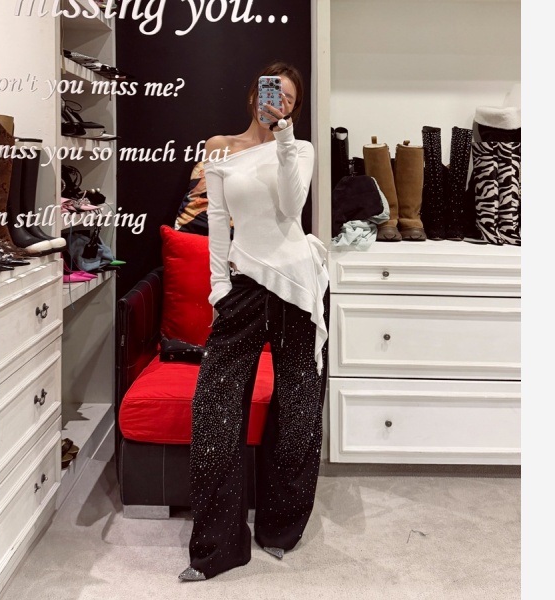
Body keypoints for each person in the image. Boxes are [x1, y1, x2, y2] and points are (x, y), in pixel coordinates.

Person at [178, 61, 330, 582]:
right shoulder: (219, 147)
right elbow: (218, 221)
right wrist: (218, 288)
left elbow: (291, 206)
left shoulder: (299, 149)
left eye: (289, 99)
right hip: (243, 288)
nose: (278, 103)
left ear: (294, 108)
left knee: (298, 413)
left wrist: (284, 135)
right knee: (214, 410)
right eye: (272, 93)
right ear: (253, 95)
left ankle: (280, 530)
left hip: (296, 288)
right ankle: (217, 548)